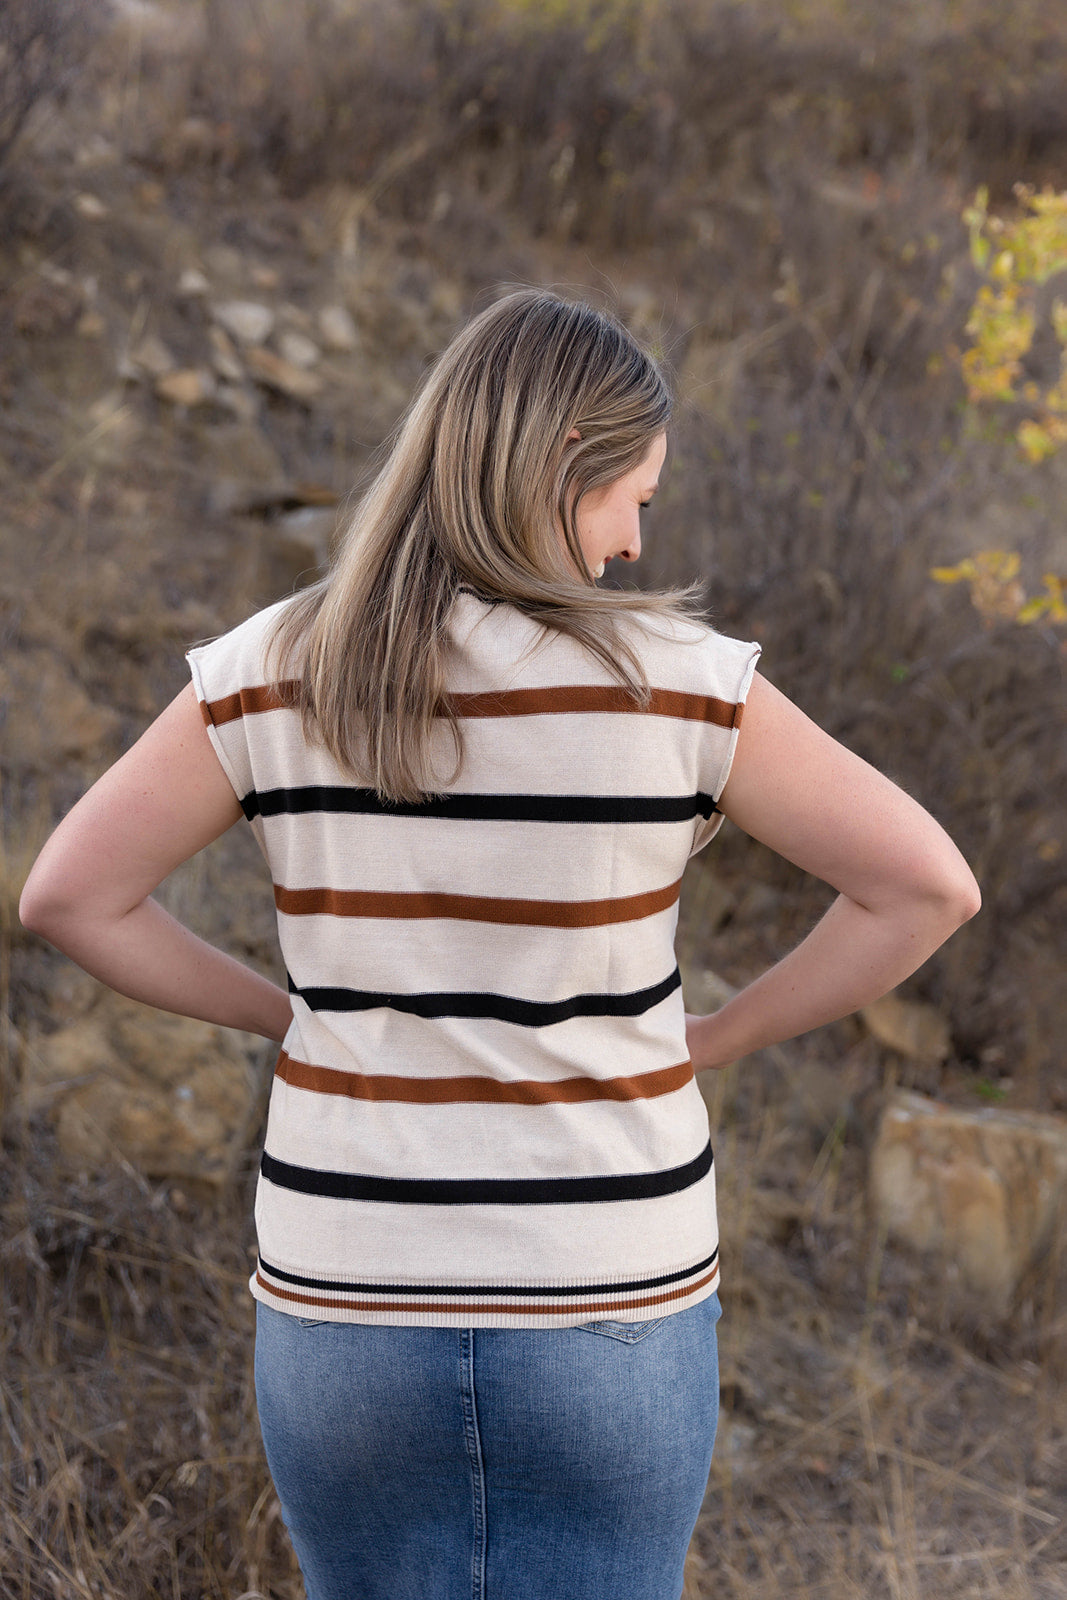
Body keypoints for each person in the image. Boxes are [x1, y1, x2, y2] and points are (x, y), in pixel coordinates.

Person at [19, 288, 980, 1600]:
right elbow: (926, 887)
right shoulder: (682, 685)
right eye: (629, 496)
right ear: (554, 475)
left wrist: (282, 1017)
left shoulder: (273, 667)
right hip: (605, 1297)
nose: (635, 542)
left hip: (345, 1299)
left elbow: (70, 896)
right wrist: (718, 1036)